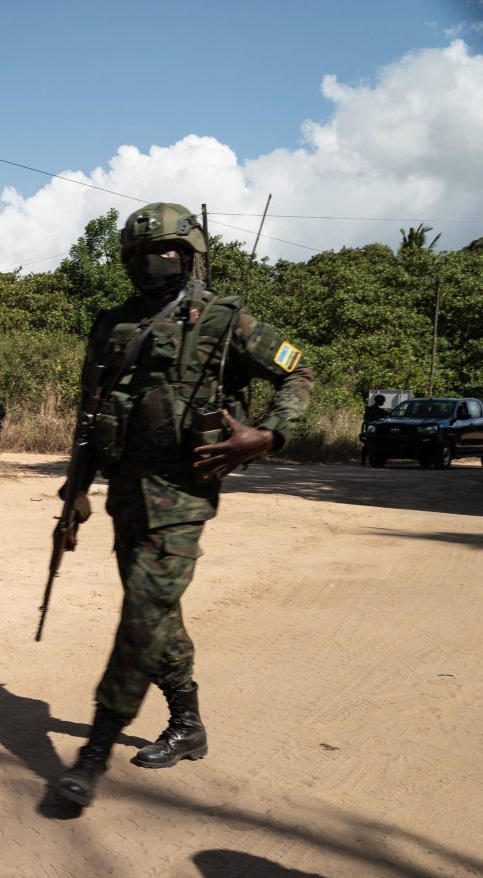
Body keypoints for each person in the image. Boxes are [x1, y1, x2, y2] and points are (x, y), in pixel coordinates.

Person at [50, 202, 313, 808]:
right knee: (156, 615)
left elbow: (297, 375)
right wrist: (74, 497)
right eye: (140, 258)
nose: (152, 268)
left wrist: (270, 434)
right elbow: (90, 420)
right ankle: (188, 722)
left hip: (184, 496)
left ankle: (94, 751)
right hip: (125, 494)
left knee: (142, 612)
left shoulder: (226, 320)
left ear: (190, 256)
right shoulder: (111, 325)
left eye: (165, 255)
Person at [360, 394, 388, 464]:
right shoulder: (370, 409)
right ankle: (363, 460)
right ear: (378, 401)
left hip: (377, 430)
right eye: (382, 401)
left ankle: (364, 461)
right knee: (367, 445)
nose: (383, 403)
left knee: (369, 445)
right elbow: (368, 419)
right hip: (371, 430)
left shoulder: (381, 410)